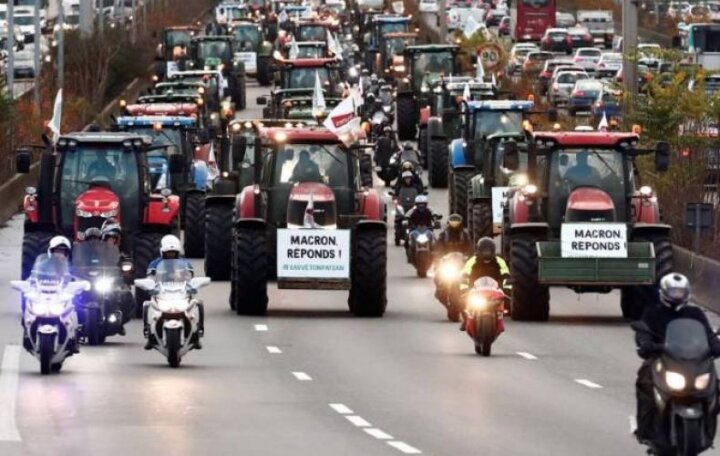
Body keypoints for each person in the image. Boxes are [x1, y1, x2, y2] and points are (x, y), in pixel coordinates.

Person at [633, 273, 720, 446]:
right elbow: (643, 332)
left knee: (714, 386)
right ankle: (646, 429)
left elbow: (709, 335)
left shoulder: (695, 314)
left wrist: (715, 345)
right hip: (662, 359)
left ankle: (708, 427)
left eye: (680, 291)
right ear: (664, 292)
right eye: (673, 291)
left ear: (686, 293)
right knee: (645, 382)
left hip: (694, 360)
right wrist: (646, 343)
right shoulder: (653, 312)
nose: (677, 295)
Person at [144, 235, 202, 349]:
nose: (171, 255)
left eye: (173, 253)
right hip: (162, 293)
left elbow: (189, 279)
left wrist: (192, 286)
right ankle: (150, 335)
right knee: (147, 305)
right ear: (162, 251)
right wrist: (150, 286)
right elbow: (149, 279)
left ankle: (196, 336)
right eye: (168, 253)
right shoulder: (154, 264)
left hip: (180, 292)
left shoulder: (186, 264)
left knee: (198, 304)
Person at [459, 237, 510, 330]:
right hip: (475, 289)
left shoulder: (500, 261)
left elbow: (506, 275)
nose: (486, 253)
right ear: (479, 250)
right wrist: (464, 289)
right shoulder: (472, 261)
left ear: (493, 251)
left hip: (495, 290)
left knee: (506, 304)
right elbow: (464, 275)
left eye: (489, 250)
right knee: (462, 301)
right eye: (484, 250)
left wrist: (506, 289)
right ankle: (466, 319)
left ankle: (499, 319)